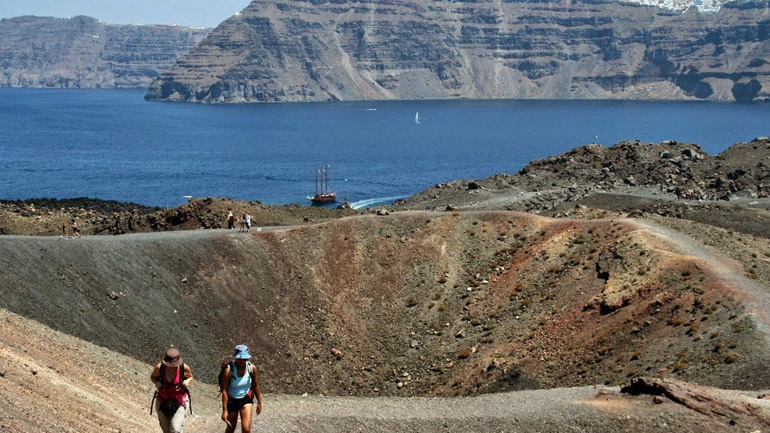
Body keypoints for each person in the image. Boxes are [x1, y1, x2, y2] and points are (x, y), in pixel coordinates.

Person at [150, 348, 194, 433]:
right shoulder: (159, 368)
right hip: (162, 400)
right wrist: (156, 383)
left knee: (175, 429)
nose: (173, 367)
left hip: (180, 401)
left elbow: (190, 377)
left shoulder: (184, 368)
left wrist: (186, 382)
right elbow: (153, 377)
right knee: (166, 430)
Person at [221, 345, 262, 433]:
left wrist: (259, 402)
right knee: (231, 428)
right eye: (240, 358)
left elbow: (255, 385)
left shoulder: (252, 368)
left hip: (246, 399)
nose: (241, 361)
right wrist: (224, 410)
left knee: (246, 429)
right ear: (236, 358)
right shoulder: (229, 370)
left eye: (244, 359)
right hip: (232, 400)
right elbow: (224, 390)